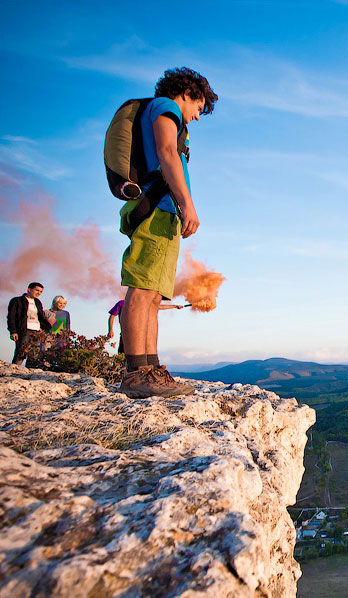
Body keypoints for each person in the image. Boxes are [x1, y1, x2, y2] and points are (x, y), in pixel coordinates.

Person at [117, 67, 217, 398]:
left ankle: (150, 369)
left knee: (153, 294)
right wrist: (187, 204)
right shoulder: (165, 107)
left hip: (162, 212)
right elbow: (167, 152)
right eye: (199, 108)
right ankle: (136, 374)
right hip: (157, 209)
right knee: (143, 290)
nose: (197, 118)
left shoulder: (165, 109)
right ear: (187, 94)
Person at [107, 299, 184, 355]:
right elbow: (112, 316)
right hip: (125, 334)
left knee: (140, 354)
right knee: (123, 353)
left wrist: (175, 306)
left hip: (140, 334)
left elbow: (158, 307)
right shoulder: (122, 303)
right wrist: (110, 330)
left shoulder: (141, 304)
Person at [6, 282, 52, 366]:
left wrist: (43, 328)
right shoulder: (17, 301)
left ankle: (29, 374)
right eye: (37, 290)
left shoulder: (38, 302)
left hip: (37, 332)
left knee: (34, 354)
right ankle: (14, 371)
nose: (39, 293)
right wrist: (13, 331)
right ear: (29, 289)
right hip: (24, 330)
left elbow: (40, 317)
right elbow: (11, 317)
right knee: (21, 352)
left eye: (41, 291)